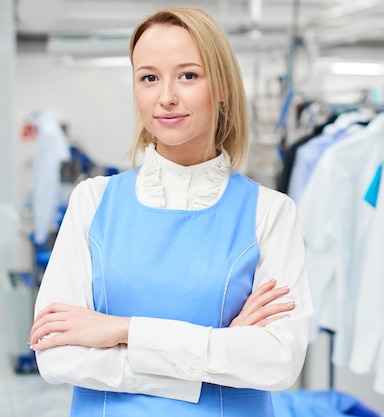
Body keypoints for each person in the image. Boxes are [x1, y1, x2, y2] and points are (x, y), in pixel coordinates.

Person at [29, 6, 313, 417]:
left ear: (222, 86)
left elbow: (278, 361)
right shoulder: (92, 200)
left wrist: (120, 330)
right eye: (148, 78)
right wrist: (216, 354)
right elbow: (56, 354)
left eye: (188, 75)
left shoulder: (270, 212)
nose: (166, 97)